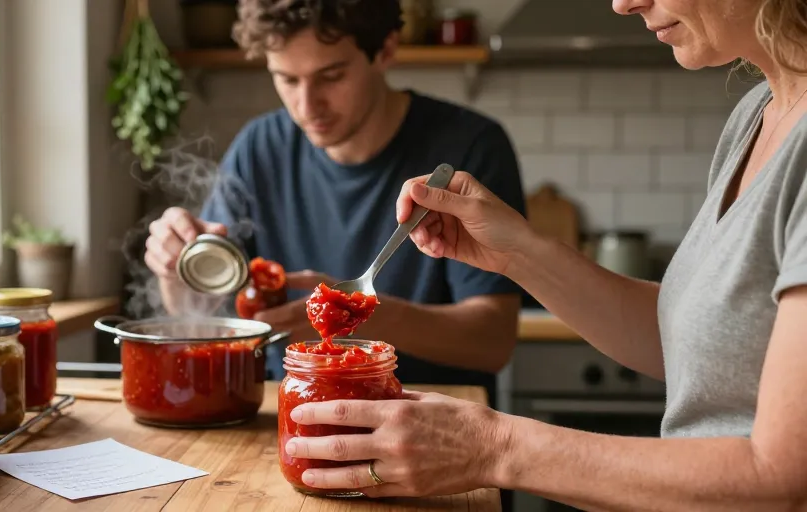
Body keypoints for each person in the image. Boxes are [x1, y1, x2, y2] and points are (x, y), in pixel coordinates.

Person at [279, 0, 807, 508]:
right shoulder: (757, 112)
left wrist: (496, 447)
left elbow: (785, 484)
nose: (623, 4)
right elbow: (688, 343)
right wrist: (518, 253)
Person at [143, 0, 527, 397]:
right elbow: (200, 310)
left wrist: (354, 310)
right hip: (299, 408)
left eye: (331, 76)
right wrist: (177, 270)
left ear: (386, 51)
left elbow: (492, 342)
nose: (307, 106)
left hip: (433, 415)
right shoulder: (259, 148)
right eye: (287, 80)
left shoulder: (471, 147)